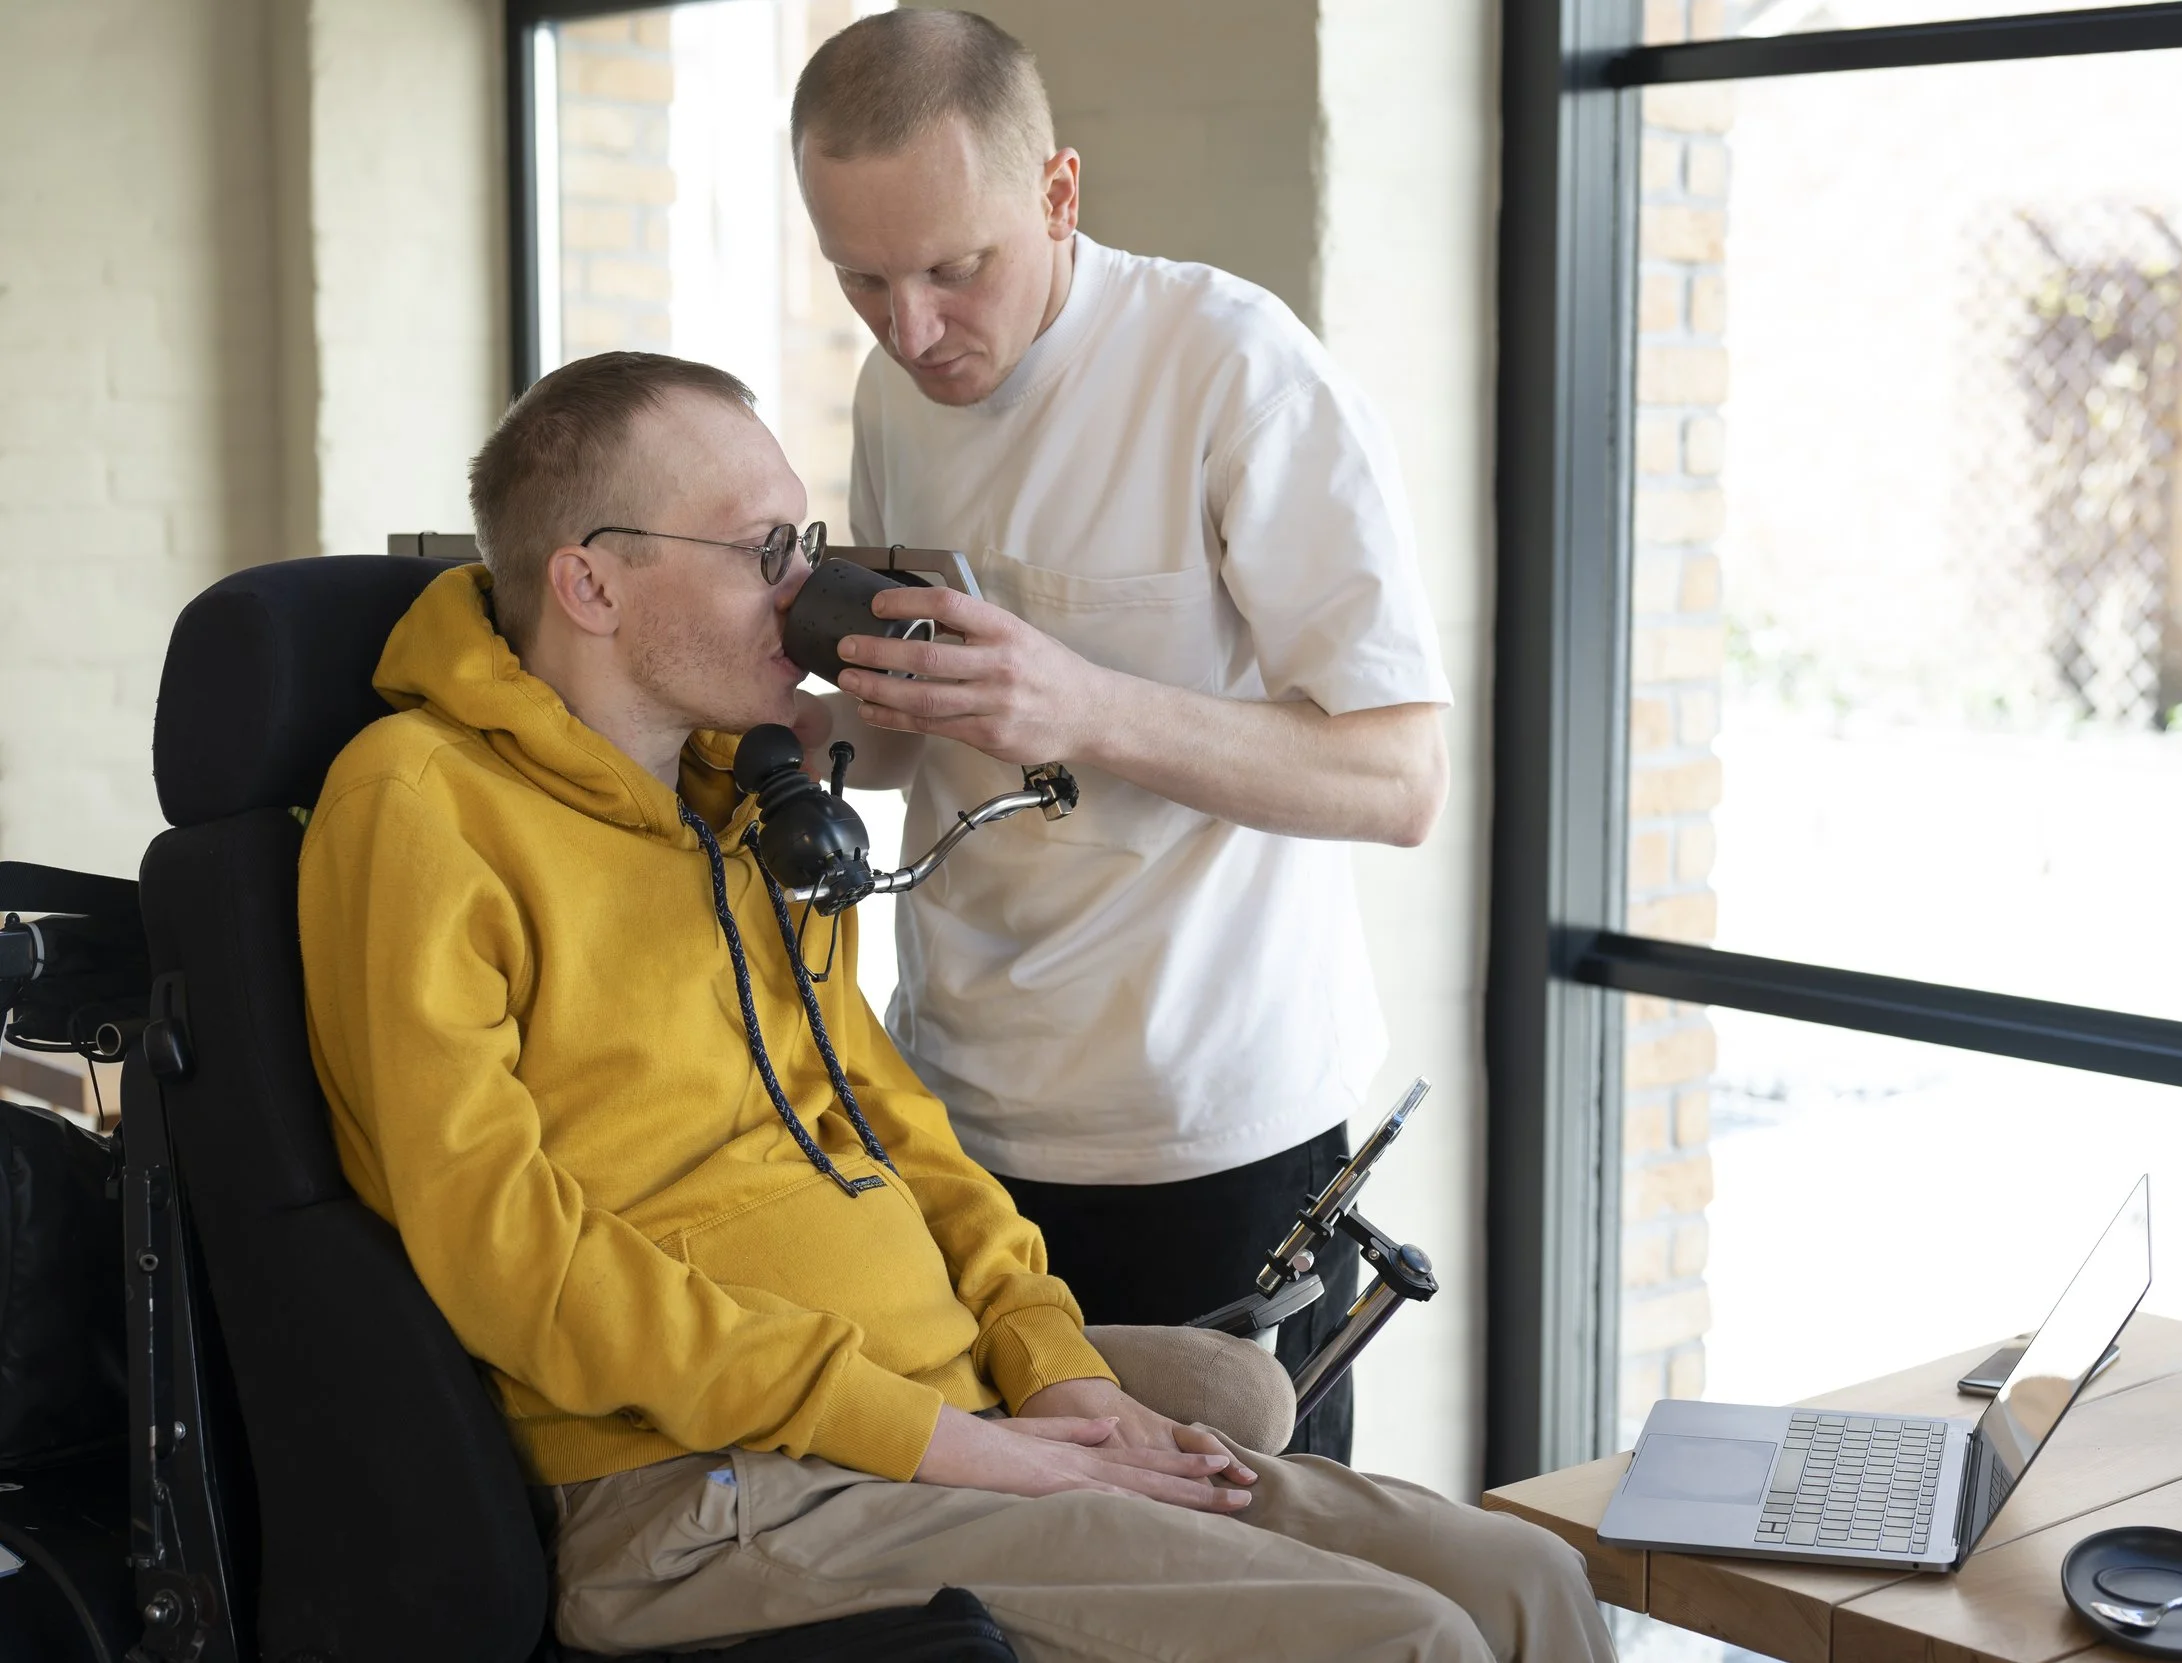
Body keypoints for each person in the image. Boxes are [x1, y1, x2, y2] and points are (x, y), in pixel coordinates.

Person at [295, 350, 1610, 1662]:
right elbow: (507, 1251)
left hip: (944, 1426)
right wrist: (952, 1444)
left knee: (1522, 1578)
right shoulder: (419, 803)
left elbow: (896, 1131)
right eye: (764, 551)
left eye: (804, 540)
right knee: (1409, 1642)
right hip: (708, 1490)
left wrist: (1064, 1378)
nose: (807, 592)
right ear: (589, 579)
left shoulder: (740, 804)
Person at [788, 9, 1449, 1464]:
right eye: (864, 279)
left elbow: (1400, 780)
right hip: (958, 1116)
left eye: (956, 270)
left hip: (1210, 1133)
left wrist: (1079, 703)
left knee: (1255, 1586)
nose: (912, 330)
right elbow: (917, 745)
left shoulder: (1232, 370)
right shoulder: (892, 388)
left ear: (1060, 194)